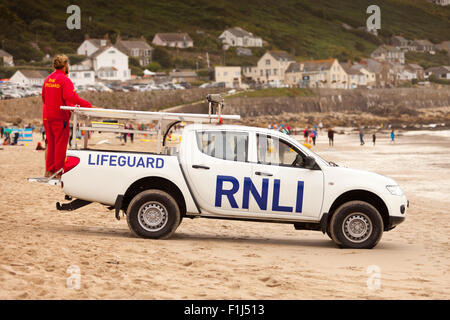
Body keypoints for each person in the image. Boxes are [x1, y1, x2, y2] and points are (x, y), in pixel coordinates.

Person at [42, 54, 92, 178]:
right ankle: (58, 171)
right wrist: (88, 105)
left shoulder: (48, 79)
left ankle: (49, 171)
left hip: (47, 116)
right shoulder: (64, 79)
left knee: (51, 143)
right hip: (59, 117)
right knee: (60, 144)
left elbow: (44, 97)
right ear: (65, 65)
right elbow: (71, 97)